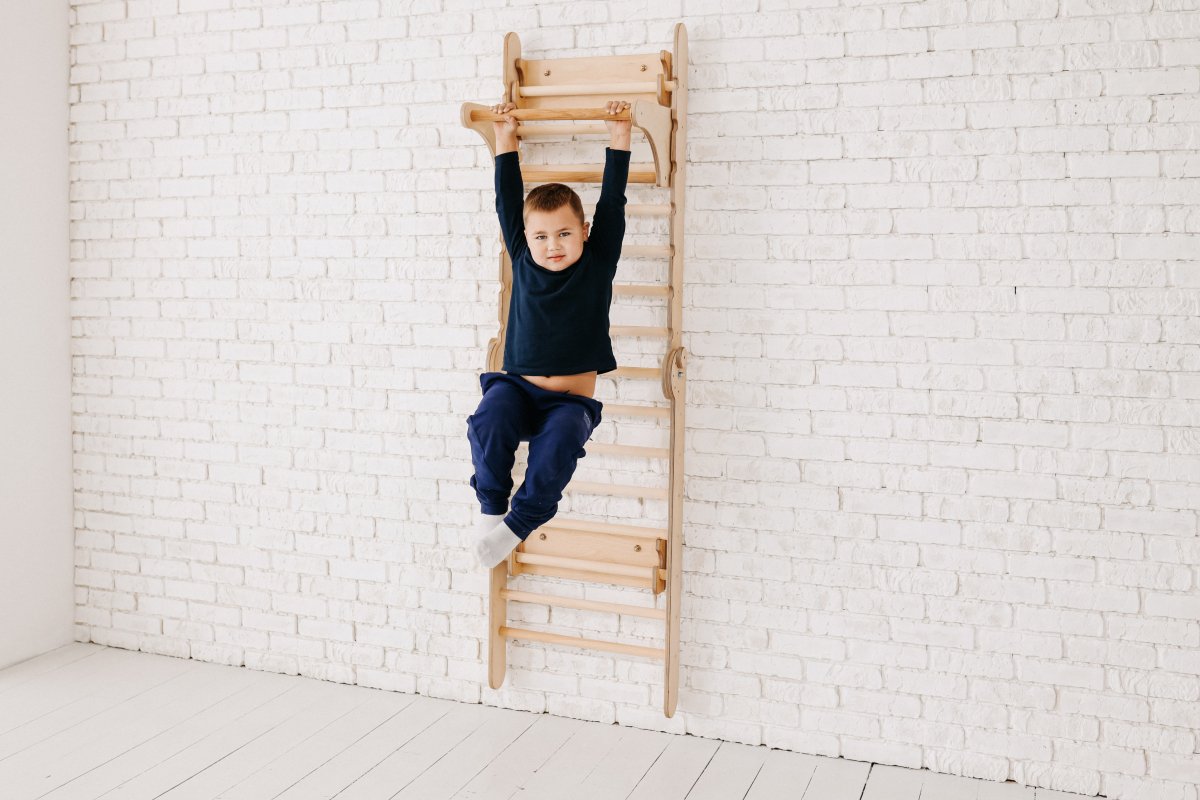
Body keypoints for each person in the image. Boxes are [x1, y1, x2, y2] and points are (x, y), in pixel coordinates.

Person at [467, 99, 632, 569]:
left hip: (569, 403)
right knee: (489, 419)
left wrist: (619, 133)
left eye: (563, 234)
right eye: (541, 236)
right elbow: (506, 198)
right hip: (516, 389)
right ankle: (491, 509)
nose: (552, 245)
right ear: (527, 236)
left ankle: (518, 525)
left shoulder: (598, 261)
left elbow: (613, 202)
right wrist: (505, 137)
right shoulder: (521, 255)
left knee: (560, 443)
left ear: (583, 232)